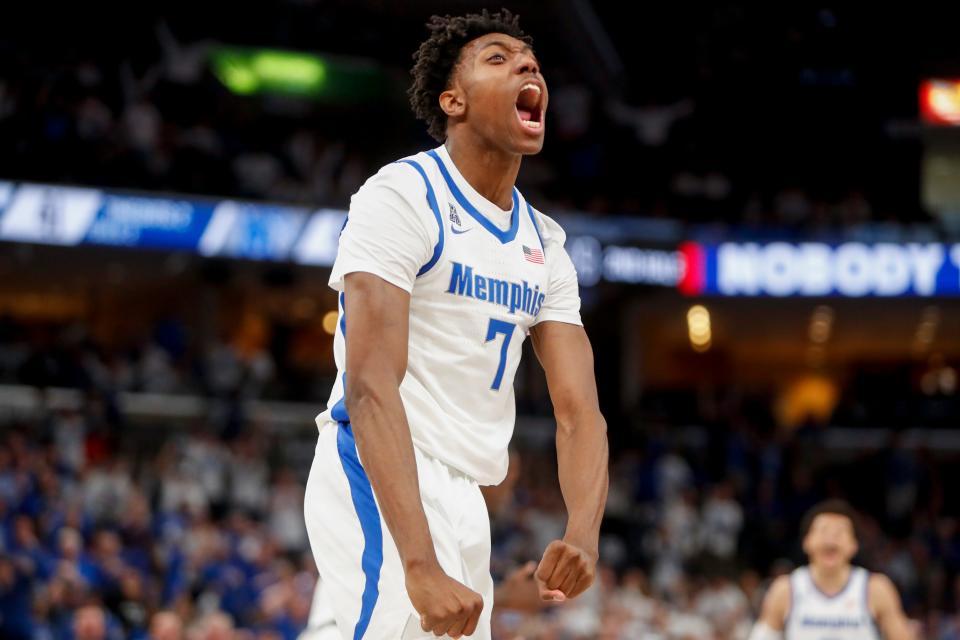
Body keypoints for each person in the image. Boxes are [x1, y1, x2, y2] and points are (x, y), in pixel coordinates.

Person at [303, 9, 608, 640]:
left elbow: (580, 412)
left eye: (532, 60)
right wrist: (417, 561)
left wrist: (583, 532)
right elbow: (369, 385)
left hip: (467, 496)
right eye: (498, 58)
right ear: (454, 99)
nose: (528, 65)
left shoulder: (545, 243)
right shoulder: (402, 194)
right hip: (379, 468)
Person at [750, 500, 914, 640]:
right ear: (806, 542)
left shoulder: (876, 588)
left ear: (853, 545)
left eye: (840, 532)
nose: (831, 538)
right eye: (823, 530)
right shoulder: (785, 589)